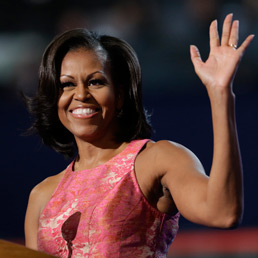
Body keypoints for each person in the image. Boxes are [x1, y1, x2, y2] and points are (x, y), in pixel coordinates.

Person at [24, 13, 254, 258]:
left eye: (95, 82)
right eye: (67, 84)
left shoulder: (157, 160)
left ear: (121, 96)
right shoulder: (42, 195)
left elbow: (223, 212)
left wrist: (220, 94)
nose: (81, 94)